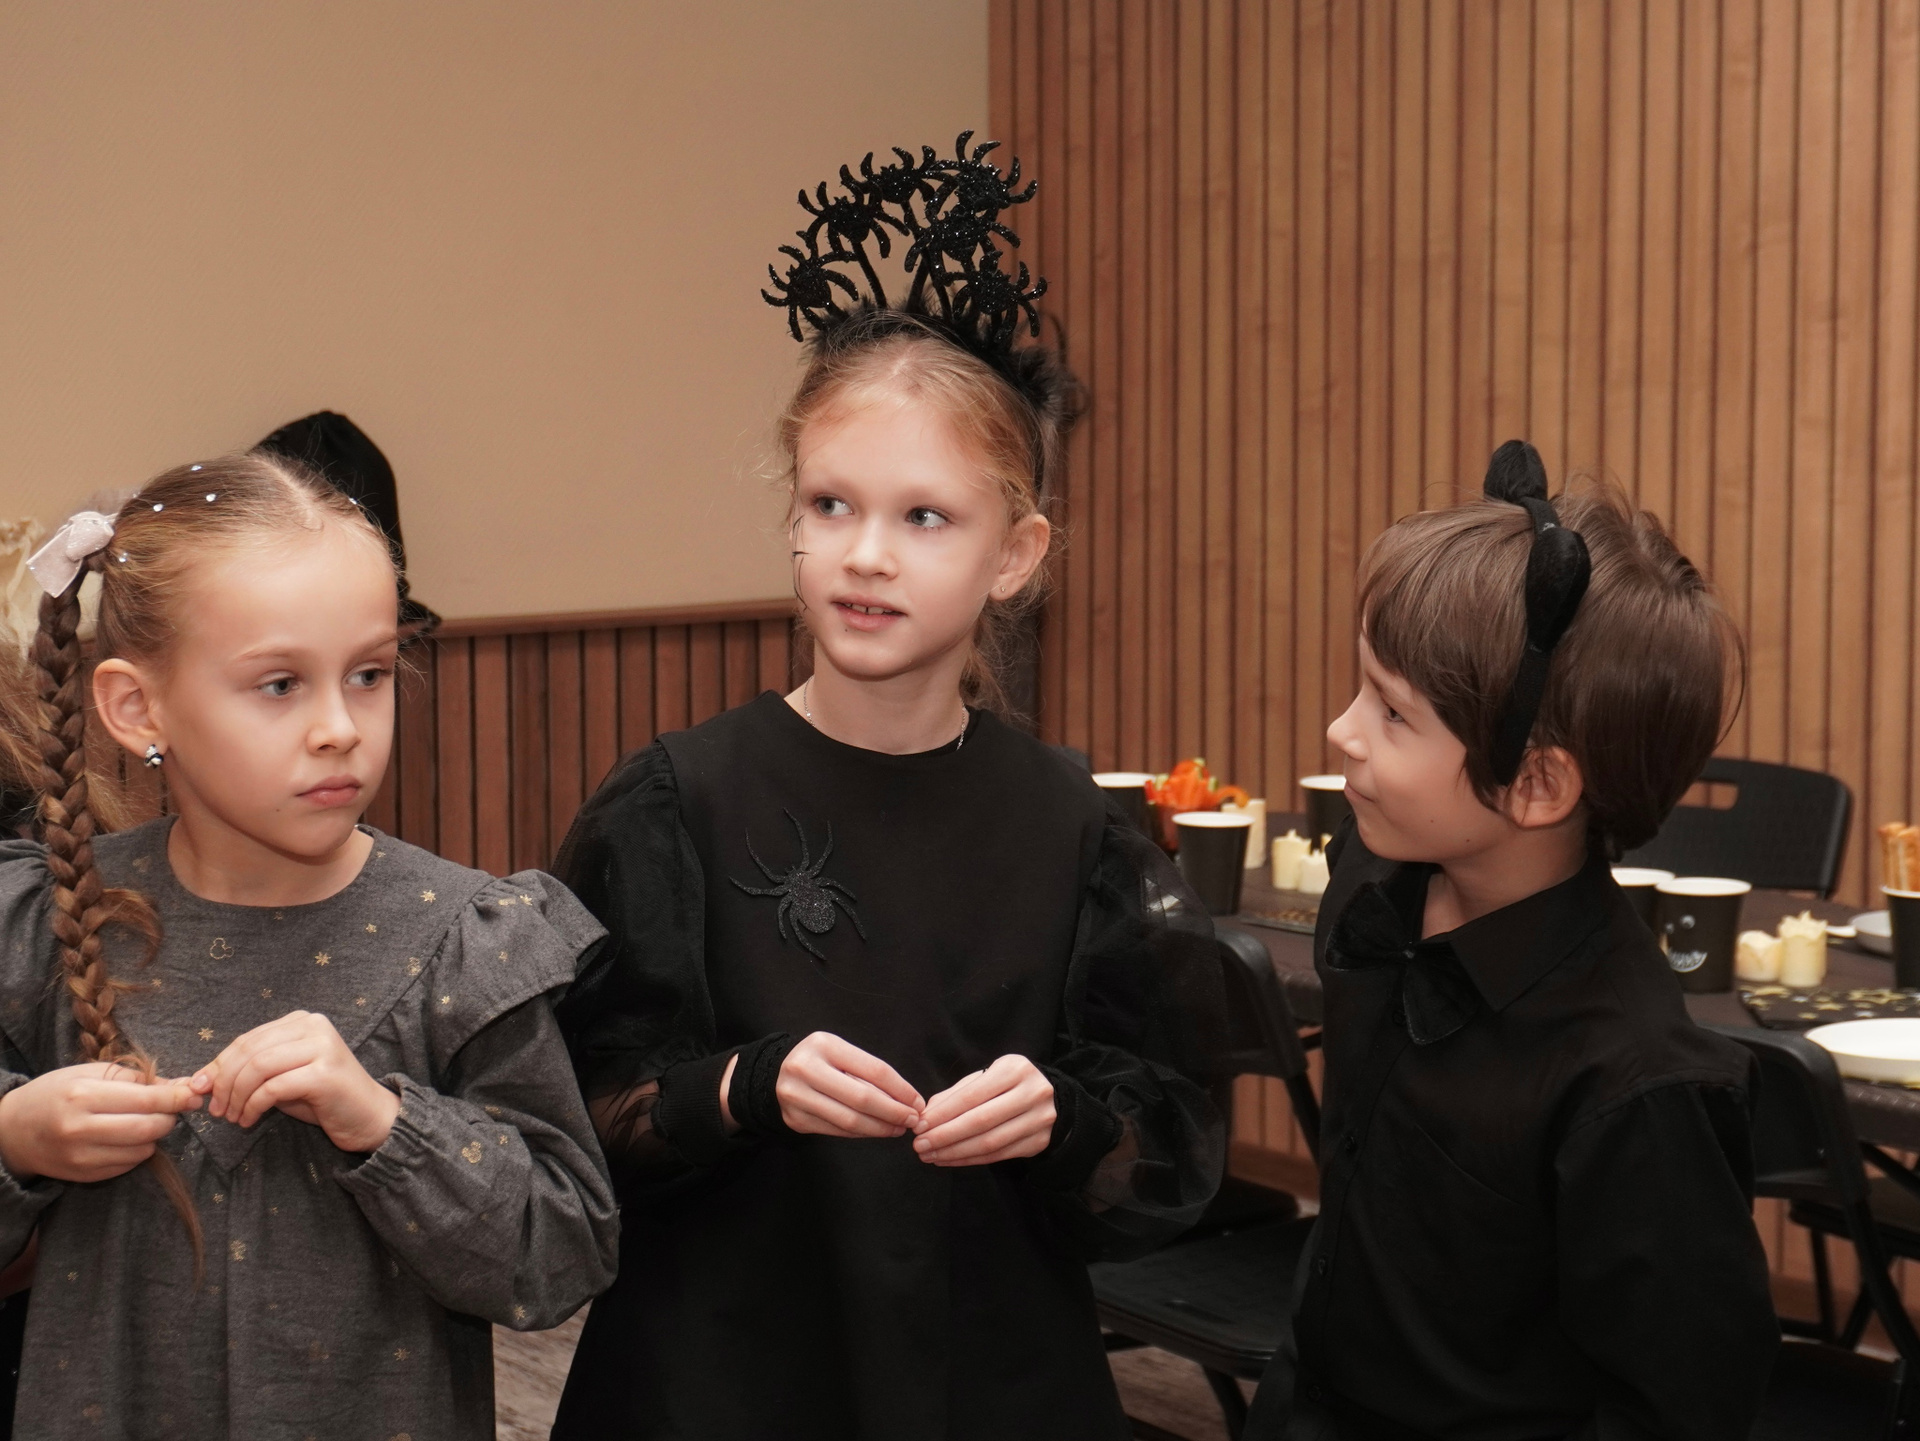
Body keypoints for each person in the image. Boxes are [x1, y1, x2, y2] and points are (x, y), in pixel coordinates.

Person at [551, 135, 1227, 1441]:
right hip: (721, 1381)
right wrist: (739, 1087)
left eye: (924, 517)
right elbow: (577, 1120)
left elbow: (1165, 1155)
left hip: (986, 1376)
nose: (866, 554)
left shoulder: (1073, 827)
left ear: (1015, 554)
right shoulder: (676, 805)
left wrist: (1063, 1115)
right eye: (831, 504)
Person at [0, 453, 619, 1440]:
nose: (339, 728)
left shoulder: (461, 939)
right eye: (280, 683)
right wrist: (17, 1140)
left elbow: (559, 1256)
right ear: (137, 707)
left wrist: (386, 1123)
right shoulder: (49, 919)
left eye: (369, 675)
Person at [1245, 444, 1778, 1440]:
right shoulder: (1374, 885)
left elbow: (1680, 1404)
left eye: (1392, 712)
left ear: (1536, 784)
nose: (1342, 730)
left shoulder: (1635, 1083)